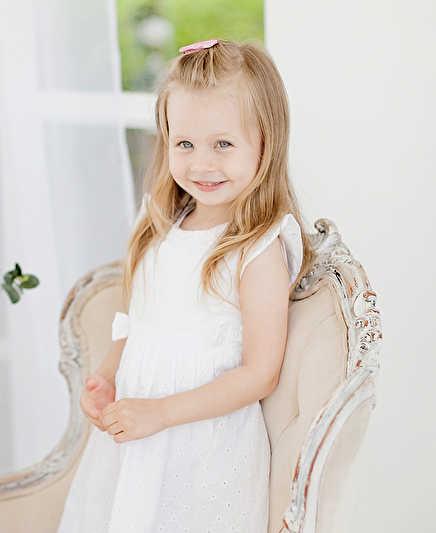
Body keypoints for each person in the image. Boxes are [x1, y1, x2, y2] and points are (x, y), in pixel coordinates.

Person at [58, 40, 315, 533]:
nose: (201, 164)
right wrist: (108, 377)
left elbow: (260, 373)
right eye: (185, 144)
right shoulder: (161, 223)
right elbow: (138, 323)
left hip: (202, 451)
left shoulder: (256, 248)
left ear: (266, 142)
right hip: (135, 442)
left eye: (223, 144)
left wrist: (161, 413)